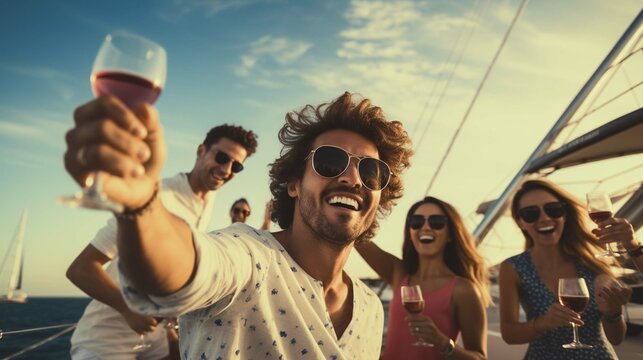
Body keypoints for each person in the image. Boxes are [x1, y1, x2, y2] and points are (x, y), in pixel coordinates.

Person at [63, 92, 413, 359]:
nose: (353, 178)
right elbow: (197, 264)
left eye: (371, 171)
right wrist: (140, 205)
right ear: (293, 184)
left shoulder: (369, 309)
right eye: (330, 161)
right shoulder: (250, 258)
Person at [66, 123, 258, 359]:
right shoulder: (156, 199)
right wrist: (128, 310)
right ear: (200, 151)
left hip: (155, 342)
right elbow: (81, 269)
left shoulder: (206, 200)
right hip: (106, 342)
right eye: (221, 157)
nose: (226, 169)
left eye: (236, 166)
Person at [498, 178, 633, 359]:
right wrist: (544, 323)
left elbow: (616, 338)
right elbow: (509, 334)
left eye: (553, 209)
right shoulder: (513, 268)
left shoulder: (592, 264)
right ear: (520, 222)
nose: (545, 218)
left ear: (565, 214)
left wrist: (613, 314)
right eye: (531, 213)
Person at [357, 196, 490, 359]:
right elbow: (357, 236)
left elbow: (480, 357)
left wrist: (442, 342)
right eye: (417, 222)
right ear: (410, 233)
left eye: (436, 222)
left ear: (450, 235)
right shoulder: (399, 273)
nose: (426, 227)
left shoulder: (463, 290)